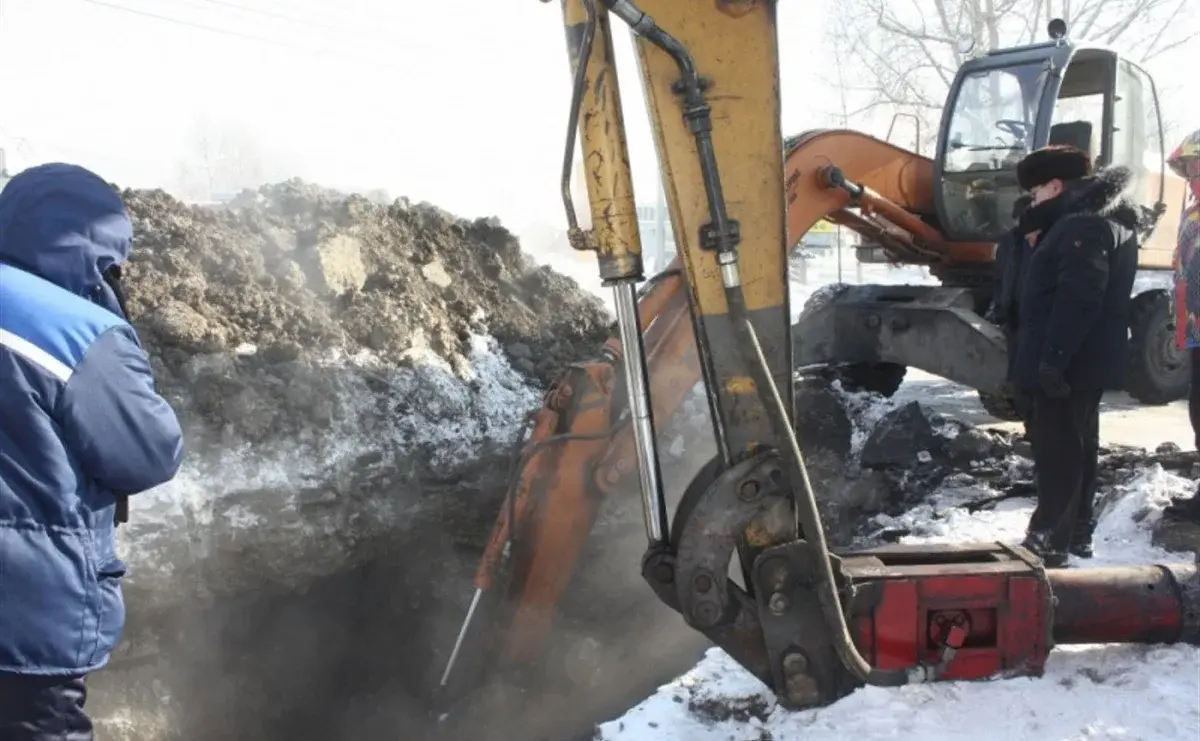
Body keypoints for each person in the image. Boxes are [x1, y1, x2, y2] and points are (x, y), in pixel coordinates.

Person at [0, 163, 185, 739]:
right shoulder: (74, 331)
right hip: (24, 618)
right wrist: (110, 319)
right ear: (99, 253)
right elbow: (148, 454)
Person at [1010, 146, 1141, 567]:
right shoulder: (1105, 221)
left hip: (1070, 363)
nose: (1034, 201)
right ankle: (1076, 532)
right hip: (1084, 362)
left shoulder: (1081, 225)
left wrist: (1054, 359)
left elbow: (1079, 297)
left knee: (1059, 451)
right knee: (1079, 446)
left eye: (1035, 192)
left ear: (1055, 185)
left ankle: (1049, 539)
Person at [1164, 130, 1200, 524]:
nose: (1190, 172)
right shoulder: (1192, 211)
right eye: (1188, 166)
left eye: (1195, 163)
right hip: (1194, 329)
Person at [990, 194, 1035, 428]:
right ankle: (1029, 424)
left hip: (1034, 319)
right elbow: (1000, 278)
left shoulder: (1042, 240)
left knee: (1031, 378)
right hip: (1012, 317)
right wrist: (1000, 307)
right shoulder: (1009, 242)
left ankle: (1037, 430)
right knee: (1018, 377)